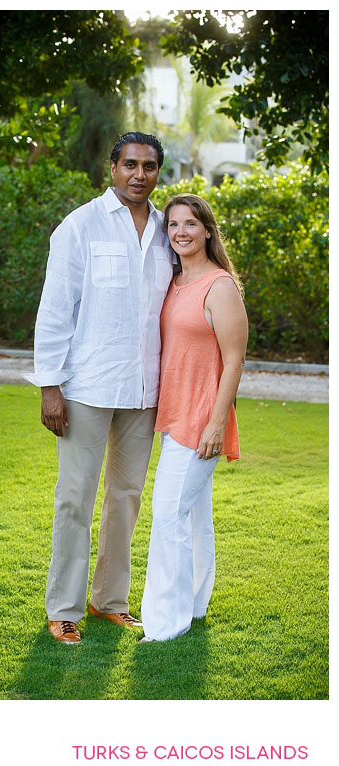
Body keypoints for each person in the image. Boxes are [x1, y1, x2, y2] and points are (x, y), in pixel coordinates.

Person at [26, 132, 175, 645]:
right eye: (130, 164)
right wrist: (50, 385)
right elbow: (54, 310)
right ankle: (63, 607)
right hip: (86, 385)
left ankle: (109, 601)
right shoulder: (80, 227)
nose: (139, 174)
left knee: (127, 497)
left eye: (149, 166)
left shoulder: (166, 231)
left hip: (144, 390)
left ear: (159, 172)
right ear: (111, 168)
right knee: (74, 498)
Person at [140, 194, 247, 642]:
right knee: (193, 517)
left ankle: (167, 624)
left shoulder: (219, 286)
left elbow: (236, 358)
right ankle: (197, 602)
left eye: (190, 223)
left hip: (201, 420)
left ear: (208, 230)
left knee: (167, 516)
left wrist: (216, 424)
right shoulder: (175, 281)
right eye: (173, 225)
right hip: (175, 414)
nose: (180, 231)